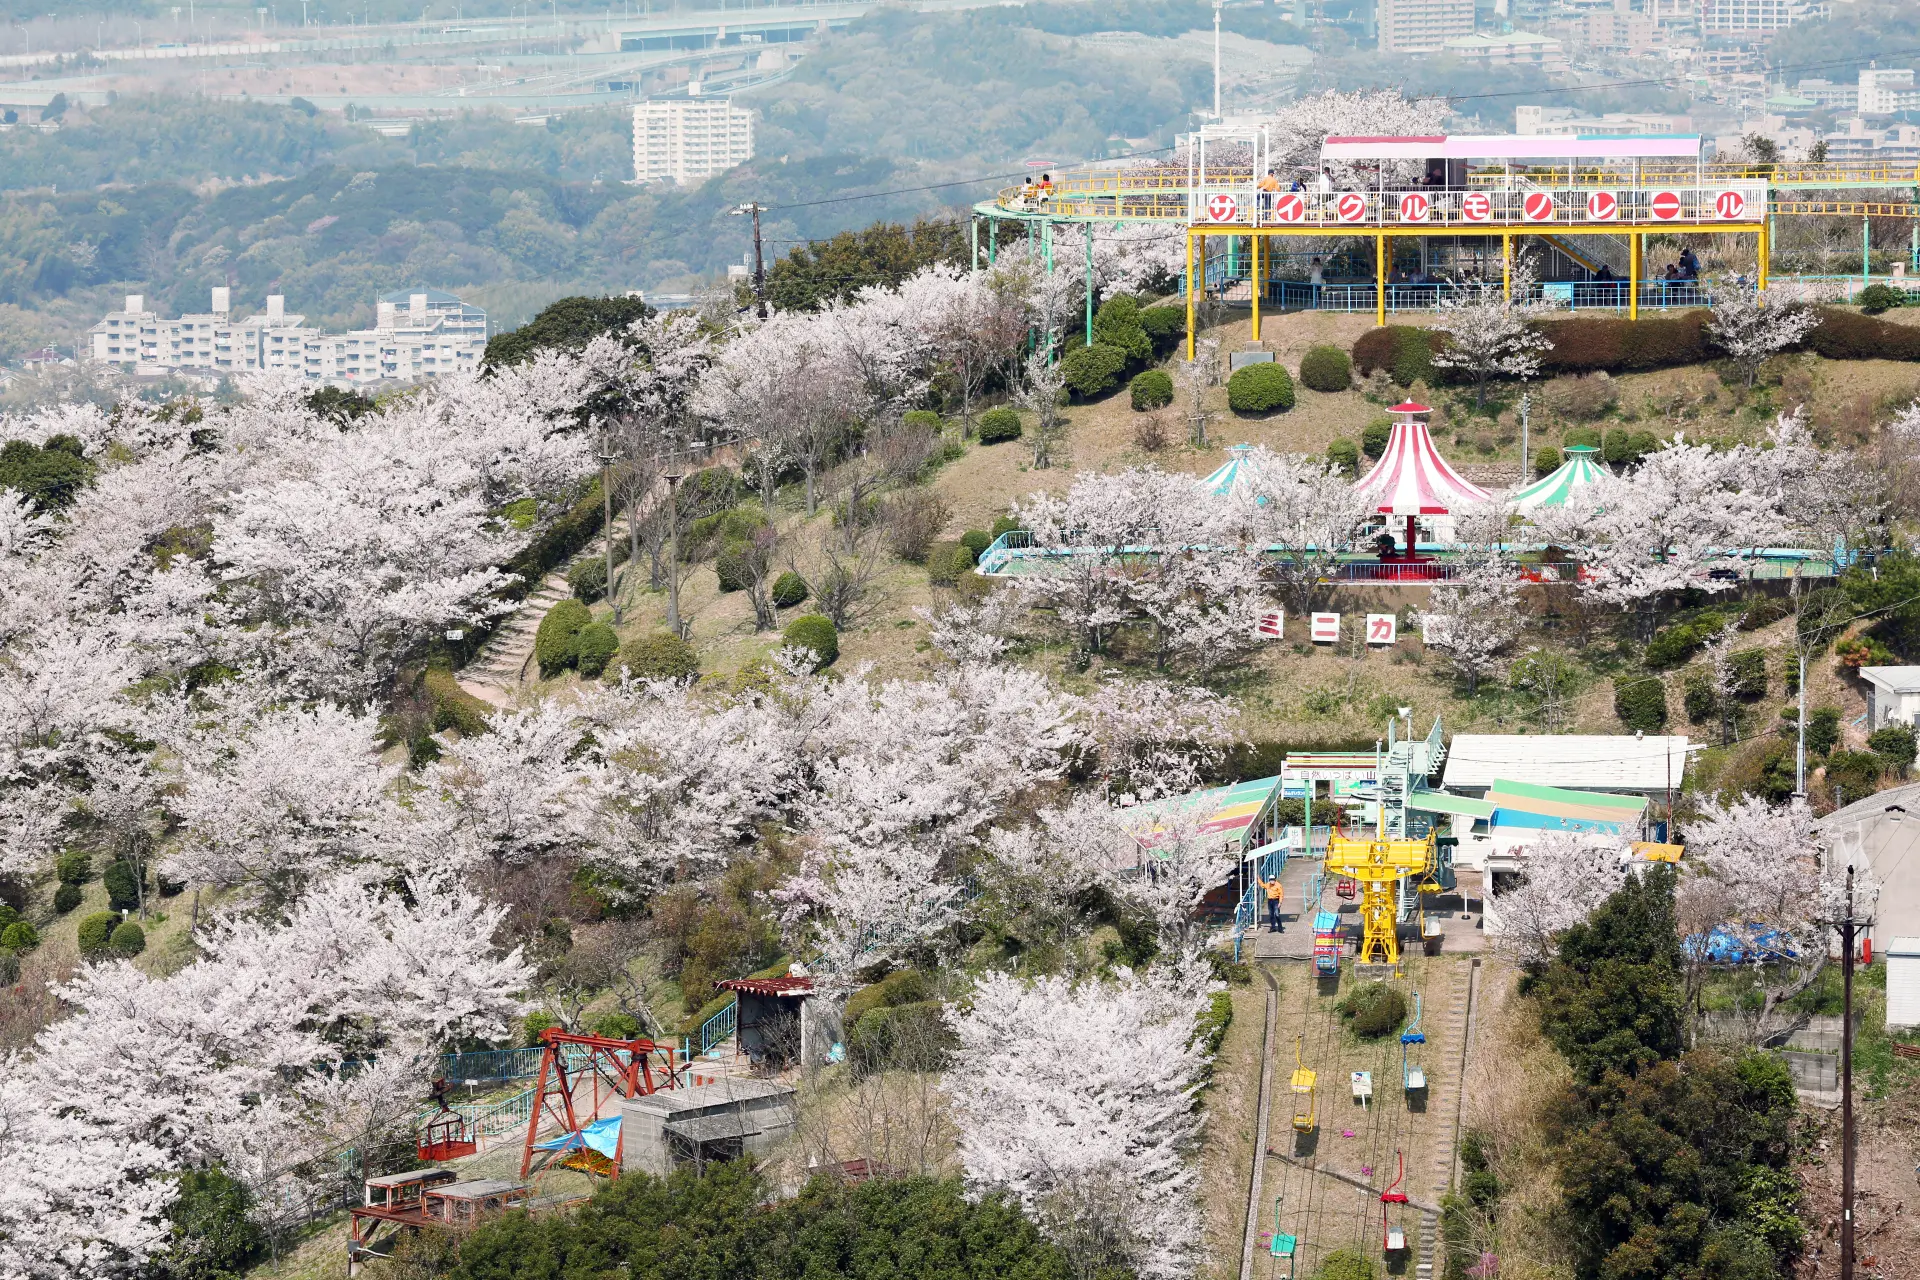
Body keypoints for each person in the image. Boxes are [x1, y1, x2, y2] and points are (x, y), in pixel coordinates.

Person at [1259, 866, 1285, 932]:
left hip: (1276, 901)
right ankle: (1273, 927)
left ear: (1275, 879)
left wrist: (1280, 902)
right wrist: (1258, 879)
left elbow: (1281, 894)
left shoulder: (1278, 885)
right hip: (1270, 900)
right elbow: (1262, 885)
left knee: (1277, 914)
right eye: (1271, 880)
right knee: (1271, 915)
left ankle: (1280, 928)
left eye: (1273, 879)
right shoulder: (1268, 884)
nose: (1272, 881)